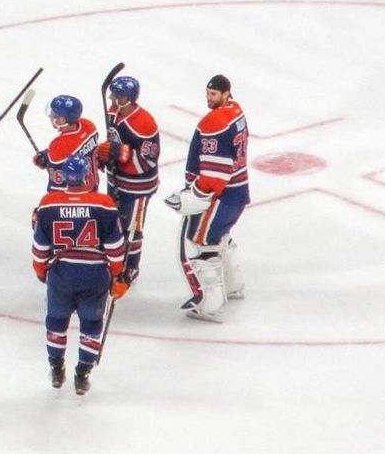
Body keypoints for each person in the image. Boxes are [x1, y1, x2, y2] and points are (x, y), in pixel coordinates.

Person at [32, 153, 126, 395]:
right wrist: (118, 276)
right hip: (95, 274)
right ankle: (82, 374)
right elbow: (115, 248)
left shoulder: (49, 203)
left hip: (61, 273)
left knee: (56, 321)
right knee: (92, 323)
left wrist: (42, 270)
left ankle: (56, 369)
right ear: (86, 175)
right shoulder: (104, 204)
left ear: (64, 176)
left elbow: (40, 246)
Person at [165, 74, 249, 323]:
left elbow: (215, 174)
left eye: (213, 94)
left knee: (199, 243)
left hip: (220, 196)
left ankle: (208, 303)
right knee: (220, 237)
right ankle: (234, 285)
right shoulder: (237, 112)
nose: (209, 98)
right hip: (239, 191)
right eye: (207, 93)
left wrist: (193, 195)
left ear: (226, 93)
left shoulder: (215, 122)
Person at [99, 76, 160, 287]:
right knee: (112, 223)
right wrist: (103, 156)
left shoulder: (144, 123)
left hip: (138, 187)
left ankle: (131, 266)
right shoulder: (112, 113)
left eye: (119, 96)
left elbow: (148, 160)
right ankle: (113, 261)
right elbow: (110, 143)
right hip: (115, 180)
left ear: (130, 98)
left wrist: (121, 153)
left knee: (132, 229)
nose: (114, 100)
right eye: (113, 95)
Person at [33, 95, 100, 192]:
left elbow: (56, 188)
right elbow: (76, 148)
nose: (51, 116)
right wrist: (48, 156)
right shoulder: (88, 126)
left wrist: (51, 160)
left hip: (73, 199)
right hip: (92, 190)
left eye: (54, 114)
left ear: (62, 120)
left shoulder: (58, 145)